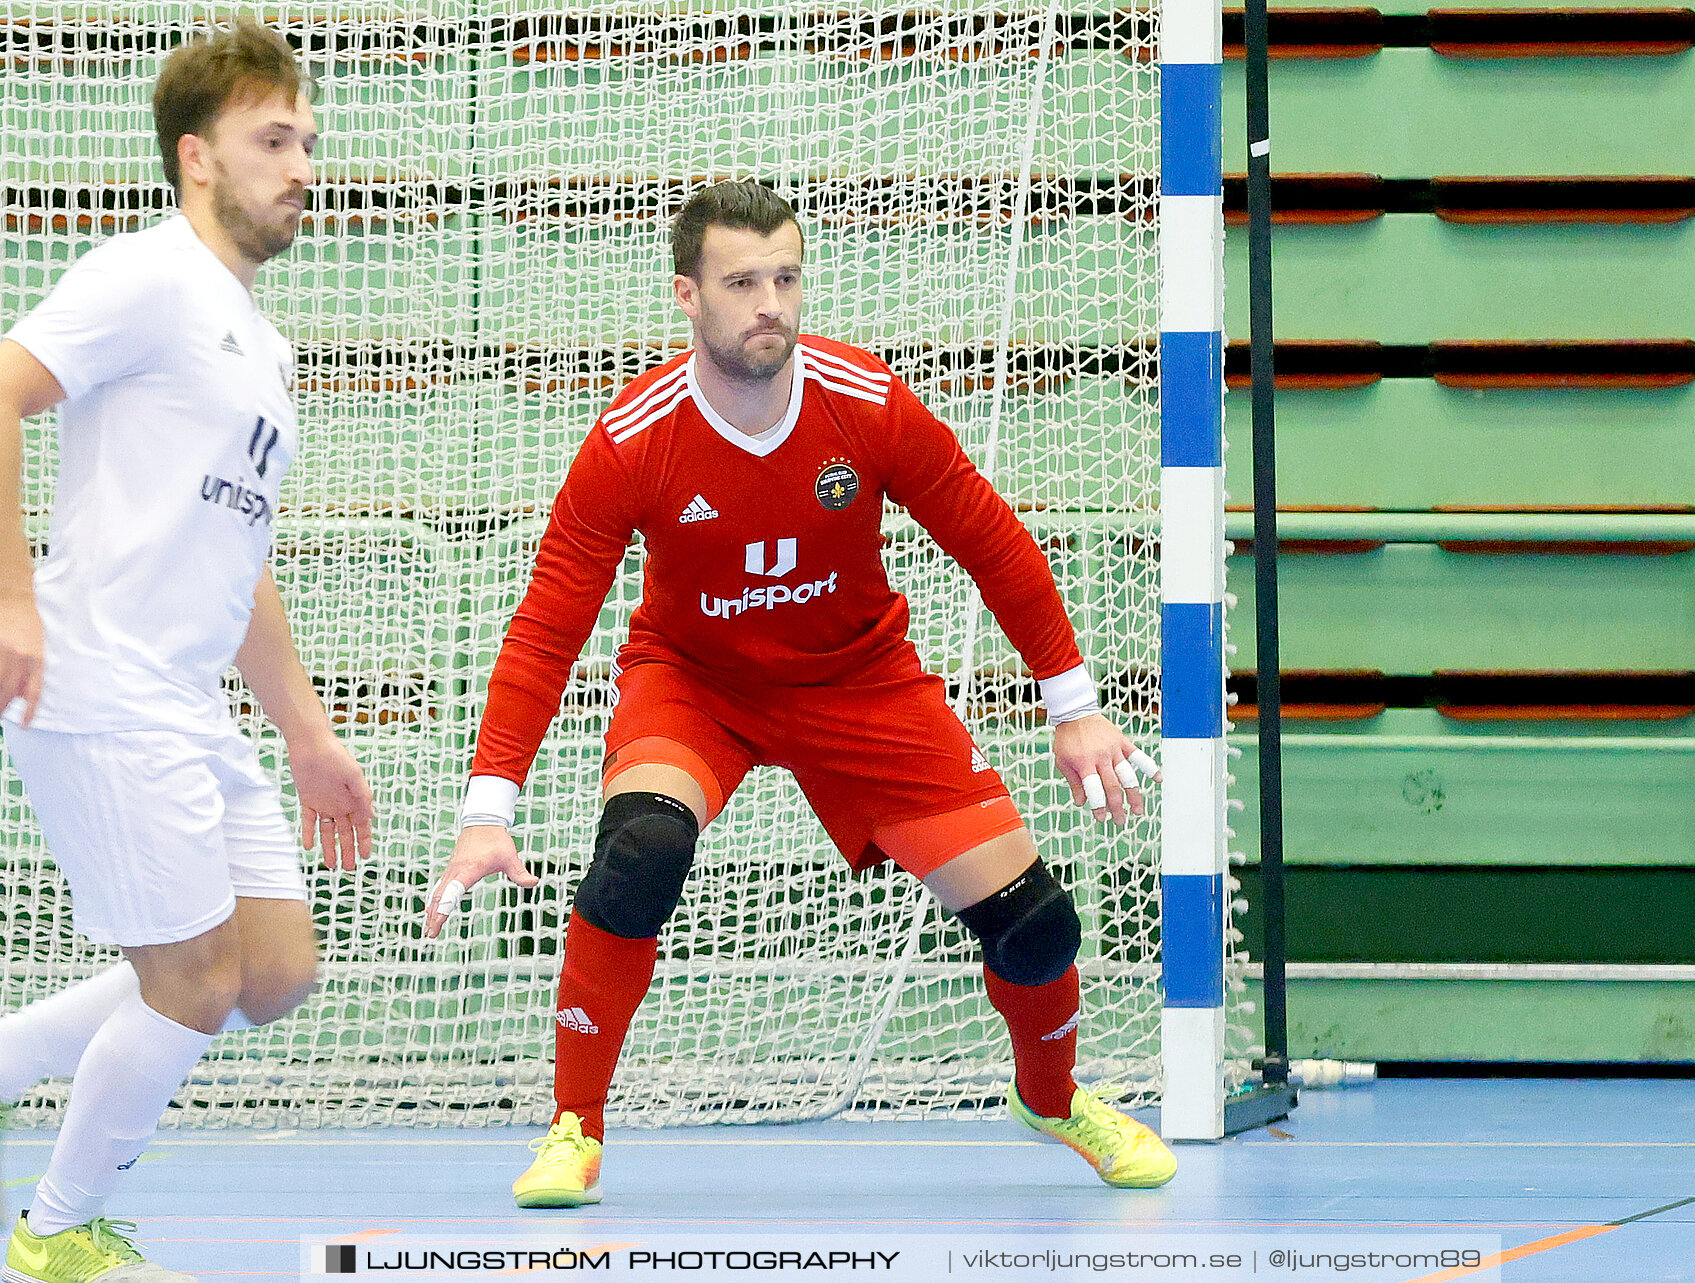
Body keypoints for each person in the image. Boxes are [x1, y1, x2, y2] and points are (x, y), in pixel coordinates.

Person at [425, 179, 1175, 1206]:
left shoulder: (865, 403)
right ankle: (574, 1127)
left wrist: (1072, 702)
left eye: (785, 276)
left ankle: (1053, 1098)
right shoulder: (632, 437)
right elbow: (549, 624)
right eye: (742, 282)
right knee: (640, 850)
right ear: (686, 295)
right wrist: (486, 807)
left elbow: (989, 537)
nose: (770, 302)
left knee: (1037, 922)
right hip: (696, 684)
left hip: (860, 681)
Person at [0, 18, 374, 1281]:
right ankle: (56, 1231)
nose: (303, 167)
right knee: (195, 974)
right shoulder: (148, 277)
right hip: (98, 677)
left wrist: (309, 731)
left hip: (187, 696)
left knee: (272, 967)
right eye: (274, 140)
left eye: (309, 142)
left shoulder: (259, 345)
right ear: (196, 157)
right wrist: (13, 600)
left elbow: (242, 553)